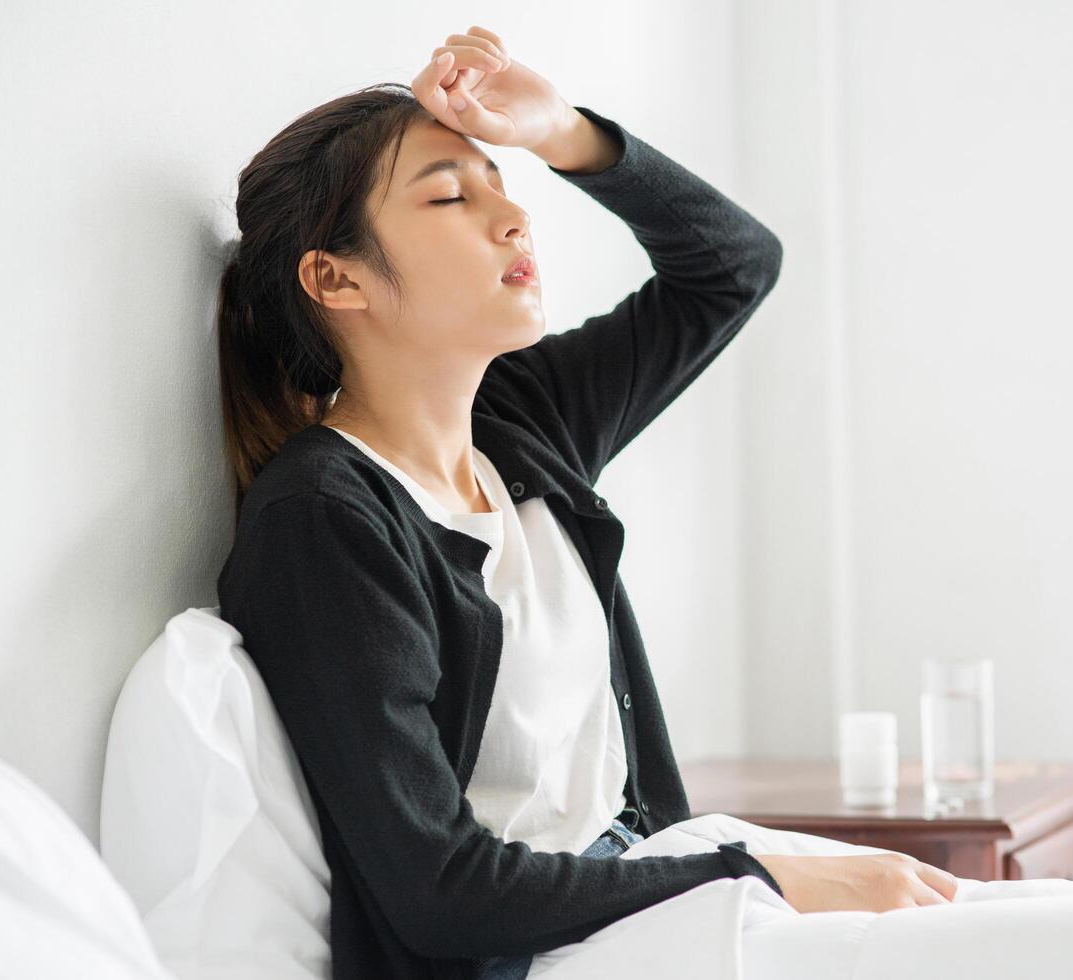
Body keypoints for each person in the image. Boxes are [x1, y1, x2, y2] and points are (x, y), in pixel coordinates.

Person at [214, 25, 958, 980]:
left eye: (501, 183)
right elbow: (441, 893)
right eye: (449, 195)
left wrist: (563, 132)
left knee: (1026, 929)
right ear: (336, 277)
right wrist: (750, 876)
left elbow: (734, 265)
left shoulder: (521, 424)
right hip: (542, 956)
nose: (513, 215)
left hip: (646, 896)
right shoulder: (325, 520)